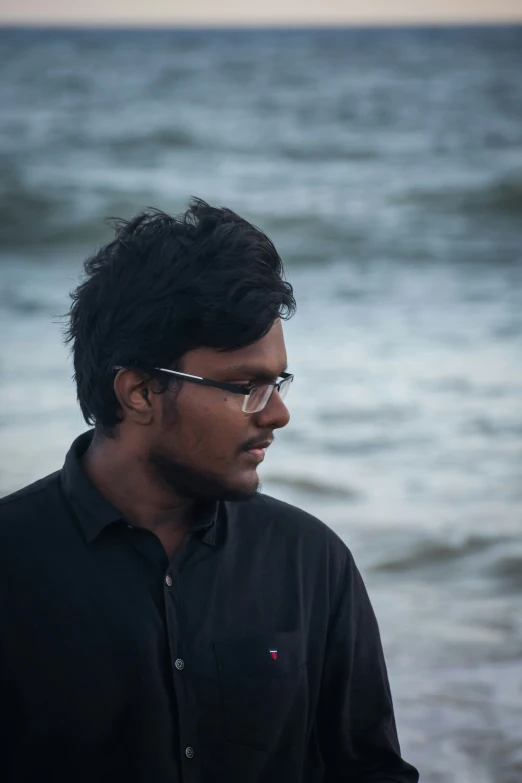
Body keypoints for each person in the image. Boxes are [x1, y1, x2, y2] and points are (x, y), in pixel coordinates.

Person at [0, 200, 419, 783]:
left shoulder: (311, 562)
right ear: (139, 392)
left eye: (278, 382)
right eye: (245, 386)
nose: (278, 413)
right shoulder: (12, 565)